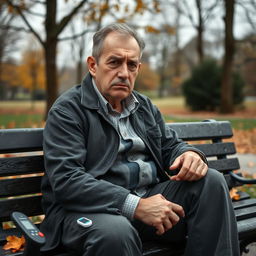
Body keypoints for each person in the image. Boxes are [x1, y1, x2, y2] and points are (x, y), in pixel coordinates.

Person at [41, 23, 239, 256]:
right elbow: (67, 181)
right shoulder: (68, 110)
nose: (124, 73)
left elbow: (169, 145)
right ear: (93, 66)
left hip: (151, 207)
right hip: (88, 213)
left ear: (138, 68)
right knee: (116, 233)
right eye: (114, 62)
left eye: (131, 65)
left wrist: (188, 154)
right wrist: (136, 205)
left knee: (211, 182)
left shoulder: (144, 107)